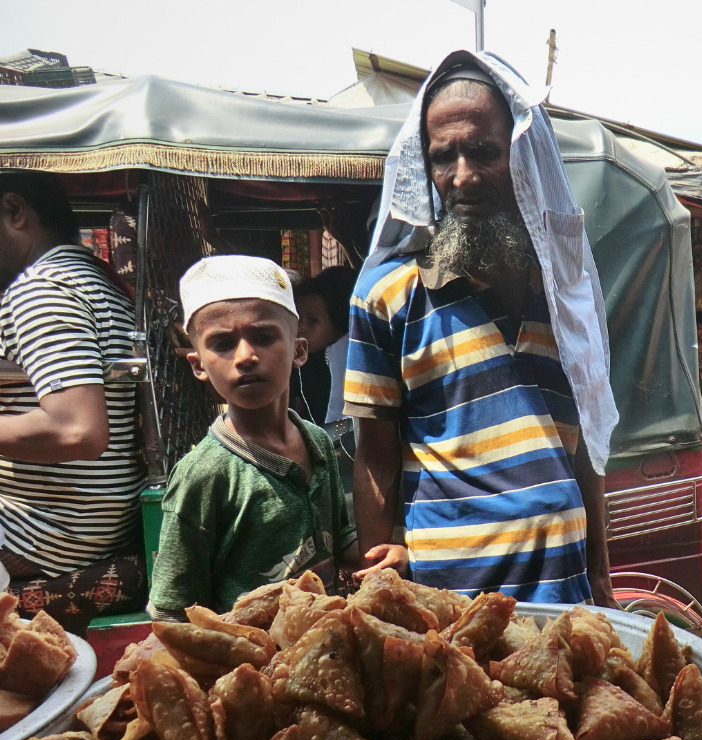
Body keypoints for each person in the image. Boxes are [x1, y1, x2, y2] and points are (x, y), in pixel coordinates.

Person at [344, 50, 618, 606]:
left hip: (565, 593)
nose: (462, 177)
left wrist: (602, 575)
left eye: (484, 152)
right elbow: (374, 453)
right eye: (443, 158)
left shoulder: (567, 291)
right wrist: (383, 591)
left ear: (524, 160)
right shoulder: (387, 296)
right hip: (451, 604)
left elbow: (586, 443)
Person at [147, 256, 405, 620]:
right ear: (198, 364)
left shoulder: (316, 442)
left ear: (299, 350)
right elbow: (172, 610)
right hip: (251, 667)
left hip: (319, 652)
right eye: (222, 343)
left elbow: (336, 536)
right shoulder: (204, 474)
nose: (246, 356)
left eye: (264, 337)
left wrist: (385, 555)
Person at [0, 171, 147, 632]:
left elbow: (76, 430)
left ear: (14, 211)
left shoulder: (43, 290)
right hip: (84, 525)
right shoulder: (91, 280)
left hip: (46, 534)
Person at [290, 265, 357, 425]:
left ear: (338, 325)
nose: (302, 328)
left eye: (312, 321)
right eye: (297, 318)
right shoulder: (296, 361)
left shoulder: (343, 357)